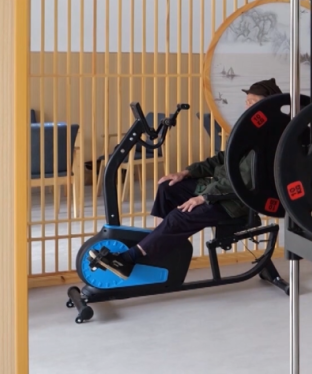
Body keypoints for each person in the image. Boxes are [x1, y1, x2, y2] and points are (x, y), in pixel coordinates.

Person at [90, 78, 285, 280]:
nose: (247, 106)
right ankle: (156, 245)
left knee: (180, 216)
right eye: (247, 101)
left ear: (266, 105)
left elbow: (246, 180)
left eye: (253, 102)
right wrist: (186, 172)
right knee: (168, 187)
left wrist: (203, 197)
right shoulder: (249, 130)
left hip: (236, 199)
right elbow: (222, 158)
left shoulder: (269, 137)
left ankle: (128, 260)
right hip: (218, 189)